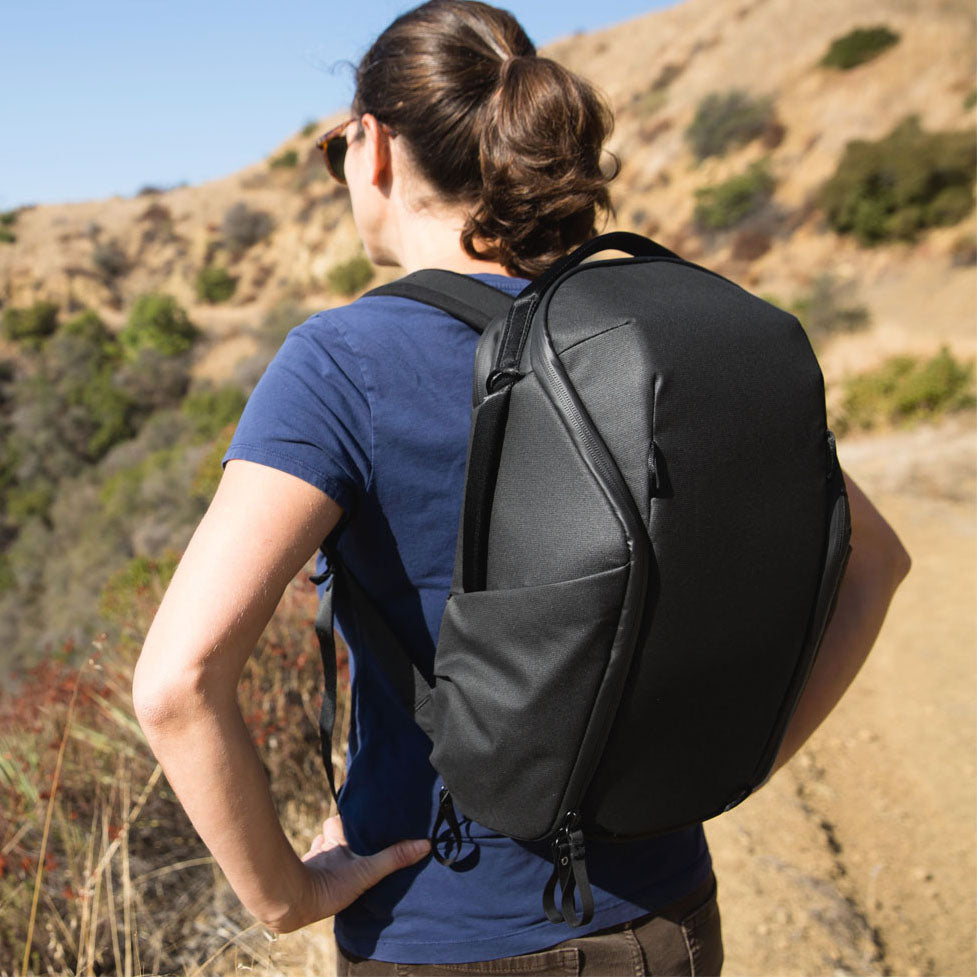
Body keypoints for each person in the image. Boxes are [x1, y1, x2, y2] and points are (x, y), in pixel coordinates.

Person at [131, 2, 912, 974]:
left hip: (444, 930)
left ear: (371, 148)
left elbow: (175, 685)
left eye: (337, 152)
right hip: (668, 917)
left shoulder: (342, 361)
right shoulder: (637, 336)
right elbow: (873, 562)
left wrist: (289, 893)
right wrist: (733, 768)